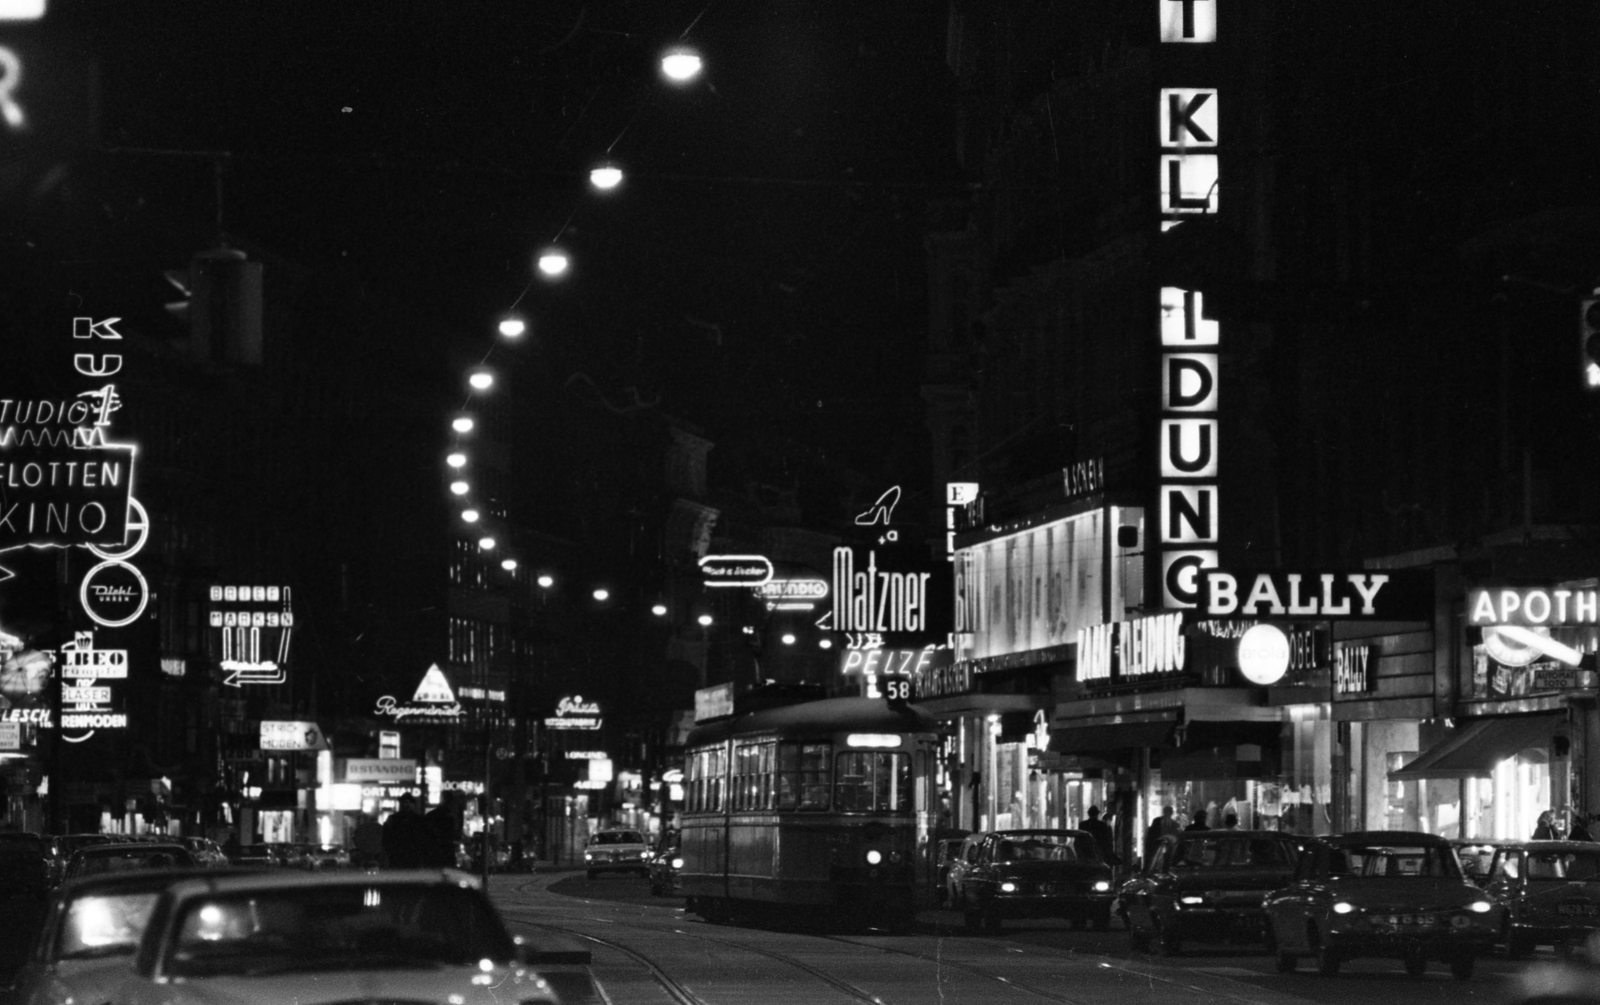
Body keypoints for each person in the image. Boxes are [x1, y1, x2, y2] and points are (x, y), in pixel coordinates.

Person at [382, 793, 427, 868]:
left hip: (412, 856)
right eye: (405, 802)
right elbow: (386, 837)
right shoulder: (393, 819)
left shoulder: (419, 820)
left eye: (409, 802)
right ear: (401, 804)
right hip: (398, 855)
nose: (407, 805)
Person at [422, 796, 459, 868]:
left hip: (432, 856)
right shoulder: (449, 818)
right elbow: (452, 836)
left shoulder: (430, 816)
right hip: (444, 855)